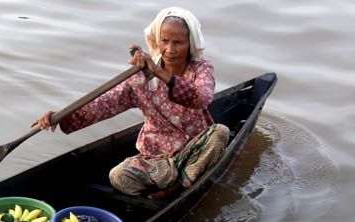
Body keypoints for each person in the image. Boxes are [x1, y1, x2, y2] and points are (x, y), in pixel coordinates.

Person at [32, 7, 229, 200]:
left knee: (220, 132)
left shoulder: (201, 68)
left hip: (193, 151)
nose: (170, 49)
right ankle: (170, 181)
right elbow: (103, 105)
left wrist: (160, 72)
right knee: (118, 177)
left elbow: (202, 97)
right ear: (157, 40)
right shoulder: (139, 79)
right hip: (156, 158)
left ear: (190, 43)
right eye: (165, 41)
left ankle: (175, 189)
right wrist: (60, 116)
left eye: (178, 42)